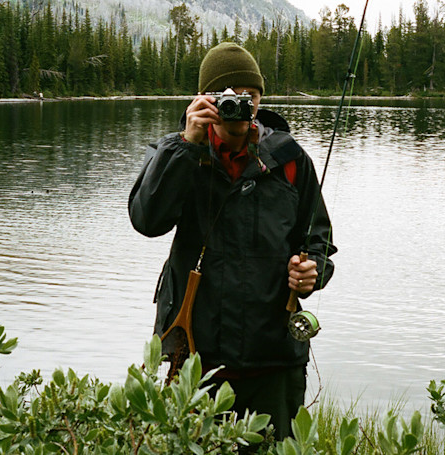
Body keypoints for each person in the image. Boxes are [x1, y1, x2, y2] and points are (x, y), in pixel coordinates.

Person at [128, 41, 336, 440]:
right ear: (204, 99)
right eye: (228, 96)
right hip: (193, 357)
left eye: (250, 95)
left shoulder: (291, 161)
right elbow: (146, 220)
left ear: (260, 98)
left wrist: (312, 271)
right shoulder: (179, 153)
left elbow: (319, 240)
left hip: (273, 361)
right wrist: (186, 144)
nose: (241, 104)